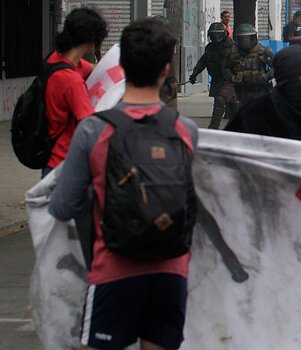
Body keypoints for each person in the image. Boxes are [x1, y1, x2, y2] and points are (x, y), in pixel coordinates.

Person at [49, 18, 199, 350]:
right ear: (165, 69)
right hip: (172, 270)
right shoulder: (186, 130)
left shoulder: (94, 130)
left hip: (114, 270)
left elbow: (62, 206)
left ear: (122, 68)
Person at [226, 46, 301, 146]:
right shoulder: (256, 112)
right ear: (280, 81)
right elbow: (229, 147)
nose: (300, 86)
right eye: (293, 80)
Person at [43, 7, 108, 177]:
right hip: (64, 163)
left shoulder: (55, 59)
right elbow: (89, 123)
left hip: (52, 158)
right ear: (90, 43)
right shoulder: (71, 80)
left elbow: (93, 68)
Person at [189, 22, 238, 129]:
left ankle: (214, 127)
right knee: (232, 103)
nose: (215, 37)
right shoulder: (210, 47)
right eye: (213, 35)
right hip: (217, 79)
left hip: (229, 79)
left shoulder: (232, 47)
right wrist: (195, 73)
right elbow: (203, 61)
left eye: (218, 34)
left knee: (221, 100)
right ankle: (237, 124)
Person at [225, 24, 274, 108]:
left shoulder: (263, 51)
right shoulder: (232, 52)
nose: (245, 42)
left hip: (259, 89)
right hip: (241, 90)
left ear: (253, 37)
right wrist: (232, 78)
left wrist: (265, 77)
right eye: (242, 39)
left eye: (247, 39)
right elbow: (225, 68)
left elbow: (276, 67)